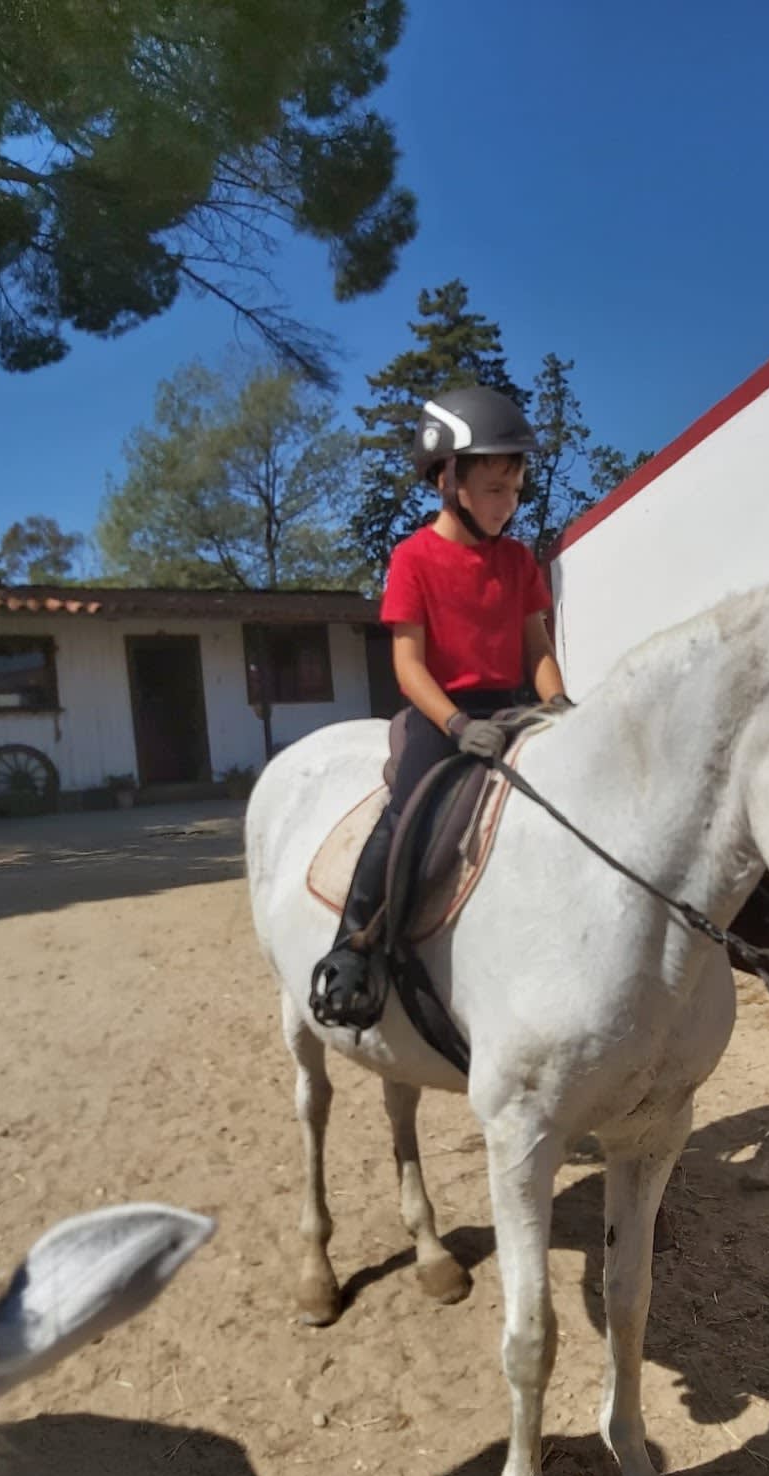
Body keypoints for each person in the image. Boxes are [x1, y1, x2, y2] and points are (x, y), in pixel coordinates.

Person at [309, 385, 569, 1029]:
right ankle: (354, 948)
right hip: (442, 714)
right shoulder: (413, 559)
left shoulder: (516, 561)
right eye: (493, 489)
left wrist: (559, 703)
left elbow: (535, 646)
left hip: (512, 707)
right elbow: (407, 664)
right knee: (408, 815)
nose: (507, 506)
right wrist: (456, 723)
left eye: (514, 491)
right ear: (448, 480)